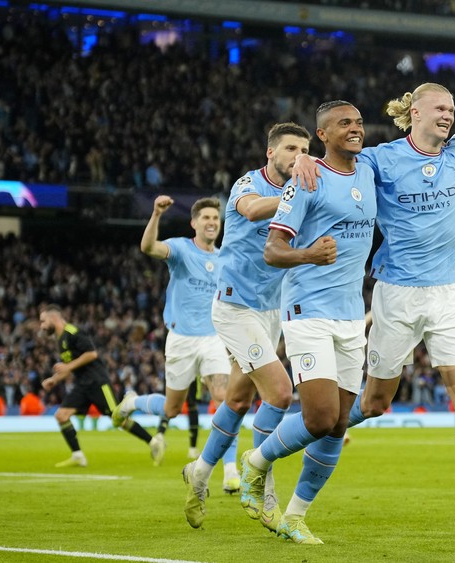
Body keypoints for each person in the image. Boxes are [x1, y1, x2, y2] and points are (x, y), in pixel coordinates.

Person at [293, 16, 455, 543]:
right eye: (441, 108)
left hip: (450, 293)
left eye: (453, 109)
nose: (450, 115)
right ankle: (280, 454)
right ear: (414, 113)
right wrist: (305, 165)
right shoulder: (381, 159)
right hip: (396, 294)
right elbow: (336, 165)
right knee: (370, 404)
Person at [238, 100, 376, 545]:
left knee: (339, 423)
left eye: (357, 122)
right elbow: (273, 251)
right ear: (323, 135)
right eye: (344, 123)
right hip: (308, 310)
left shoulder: (371, 172)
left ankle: (294, 516)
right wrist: (309, 254)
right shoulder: (305, 180)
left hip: (352, 316)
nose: (355, 128)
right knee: (319, 418)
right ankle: (256, 462)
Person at [182, 122, 311, 531]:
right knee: (280, 392)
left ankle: (200, 472)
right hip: (235, 306)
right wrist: (300, 192)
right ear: (271, 152)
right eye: (292, 148)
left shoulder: (303, 190)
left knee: (237, 400)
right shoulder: (247, 184)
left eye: (306, 150)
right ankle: (262, 482)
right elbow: (253, 210)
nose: (299, 156)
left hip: (270, 310)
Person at [112, 196, 232, 471]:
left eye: (215, 217)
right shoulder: (180, 249)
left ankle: (230, 470)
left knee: (224, 399)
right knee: (172, 410)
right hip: (181, 339)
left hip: (213, 338)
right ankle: (133, 402)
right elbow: (148, 247)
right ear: (194, 223)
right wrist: (155, 214)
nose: (212, 222)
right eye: (206, 218)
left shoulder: (225, 258)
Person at [39, 304, 154, 467]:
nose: (41, 326)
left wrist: (68, 367)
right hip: (82, 385)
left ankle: (153, 442)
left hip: (97, 382)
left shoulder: (72, 332)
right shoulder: (60, 340)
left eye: (43, 321)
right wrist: (54, 379)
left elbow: (92, 354)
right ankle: (78, 455)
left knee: (117, 419)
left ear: (53, 318)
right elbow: (69, 367)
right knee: (61, 415)